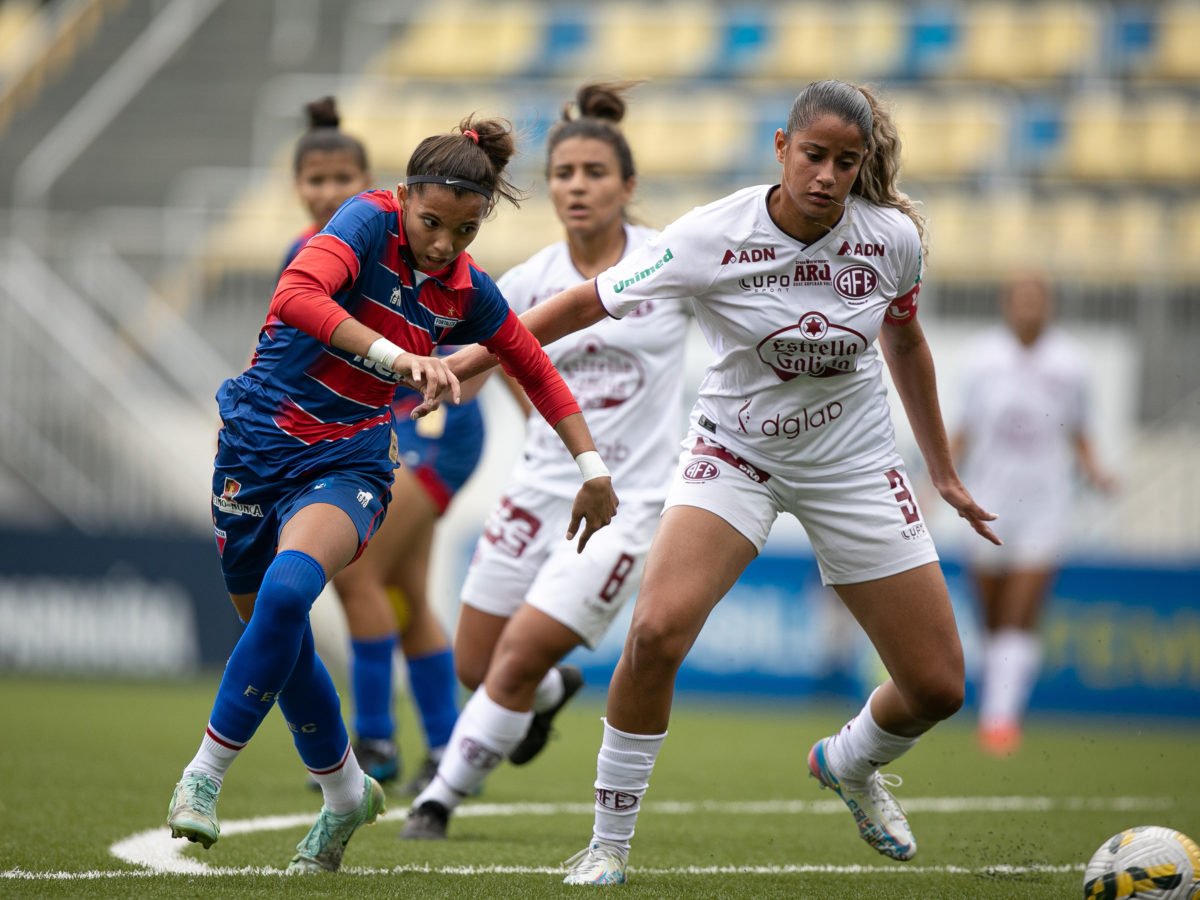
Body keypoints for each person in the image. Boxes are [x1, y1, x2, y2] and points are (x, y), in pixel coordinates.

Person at [419, 79, 1001, 883]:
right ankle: (608, 849)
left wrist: (941, 468)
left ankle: (849, 760)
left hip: (854, 466)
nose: (828, 175)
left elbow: (905, 343)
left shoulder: (892, 238)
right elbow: (581, 305)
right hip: (735, 456)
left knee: (937, 688)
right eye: (813, 156)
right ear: (780, 149)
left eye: (846, 161)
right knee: (654, 635)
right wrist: (468, 359)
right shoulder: (709, 235)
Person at [163, 115, 618, 874]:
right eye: (433, 222)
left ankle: (203, 776)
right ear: (404, 198)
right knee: (280, 637)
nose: (444, 244)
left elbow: (534, 366)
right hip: (253, 446)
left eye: (465, 232)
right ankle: (345, 790)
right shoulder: (366, 222)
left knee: (286, 598)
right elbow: (296, 295)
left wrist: (592, 467)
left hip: (350, 461)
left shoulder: (467, 290)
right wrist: (398, 357)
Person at [399, 81, 692, 841]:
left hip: (624, 504)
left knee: (517, 656)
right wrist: (431, 379)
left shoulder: (669, 264)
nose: (577, 187)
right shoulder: (528, 277)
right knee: (478, 663)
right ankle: (553, 689)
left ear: (627, 186)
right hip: (536, 489)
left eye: (595, 173)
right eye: (564, 174)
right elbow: (497, 354)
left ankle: (439, 798)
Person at [285, 97, 489, 794]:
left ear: (373, 187)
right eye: (316, 180)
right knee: (401, 590)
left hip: (428, 437)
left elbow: (482, 333)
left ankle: (373, 741)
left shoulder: (408, 240)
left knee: (358, 577)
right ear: (298, 188)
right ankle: (447, 749)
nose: (329, 192)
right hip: (376, 438)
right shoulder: (308, 260)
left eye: (343, 179)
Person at [952, 272, 1115, 757]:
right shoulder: (982, 358)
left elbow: (1078, 431)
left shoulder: (1070, 364)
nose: (1027, 308)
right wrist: (939, 480)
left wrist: (1096, 471)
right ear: (1007, 305)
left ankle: (1001, 722)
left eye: (1036, 300)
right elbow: (966, 428)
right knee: (991, 617)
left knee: (1021, 614)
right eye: (1019, 299)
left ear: (1049, 306)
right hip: (988, 499)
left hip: (1045, 504)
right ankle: (995, 707)